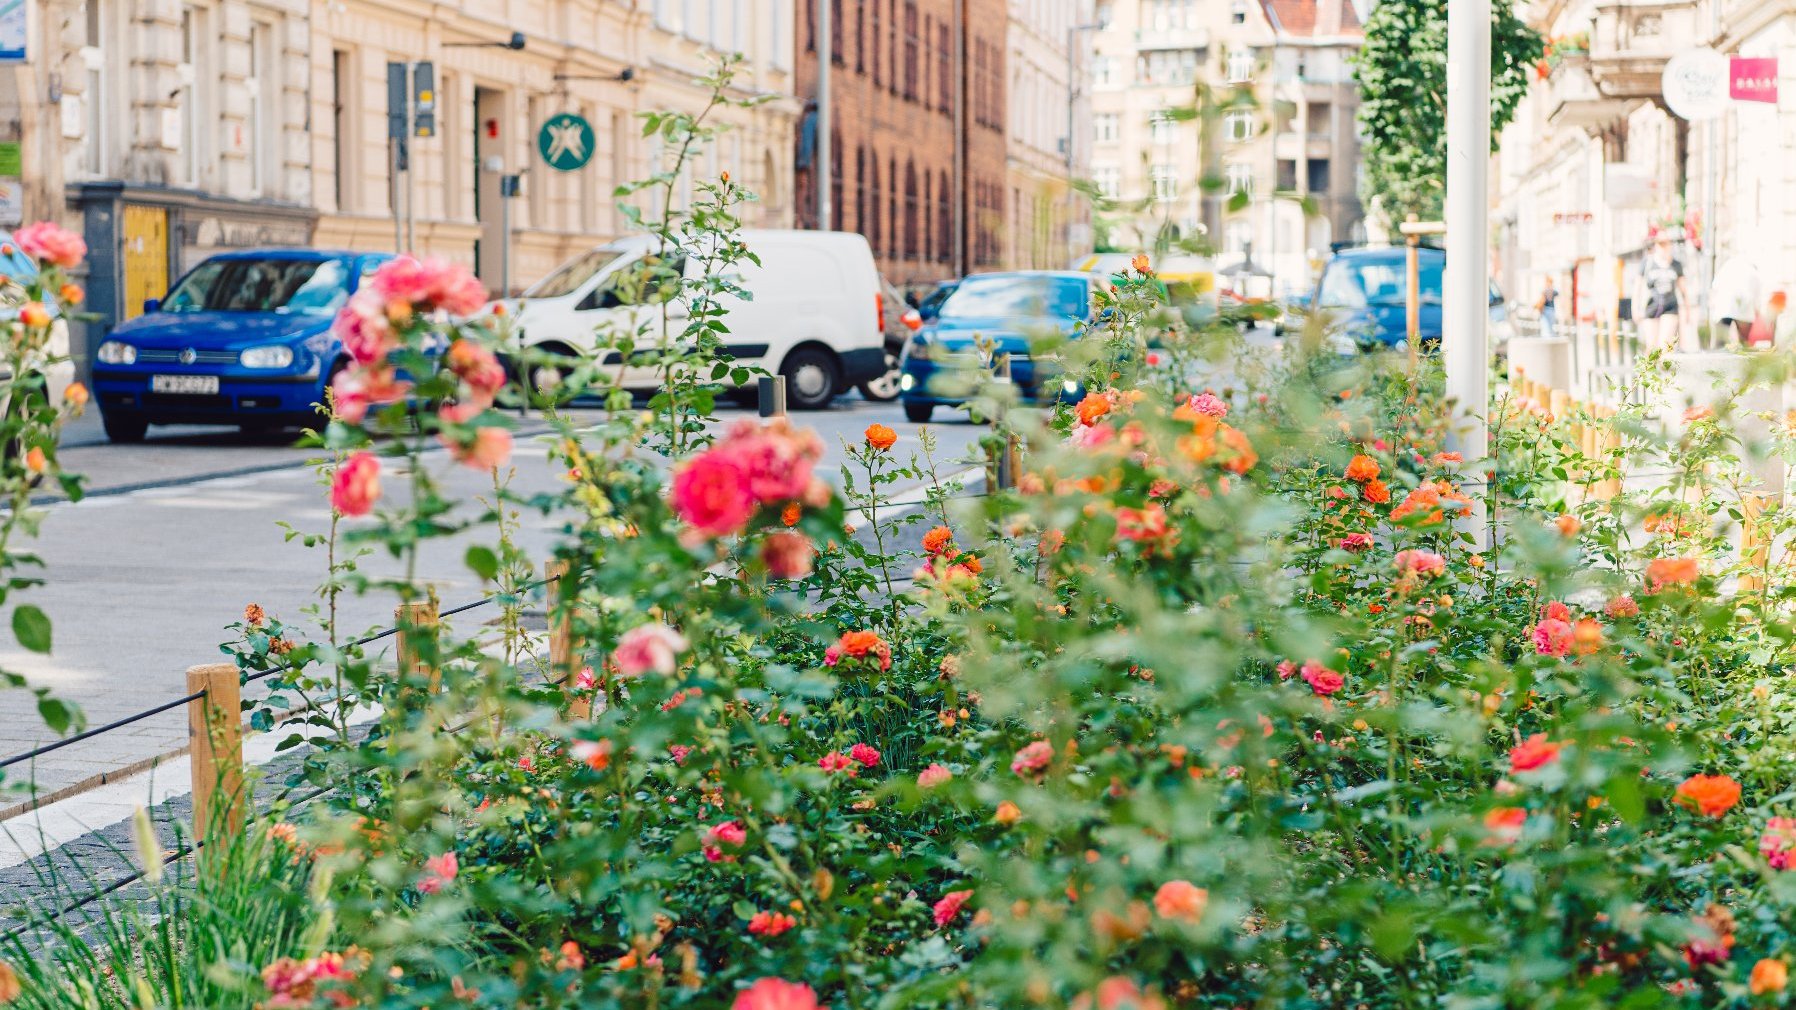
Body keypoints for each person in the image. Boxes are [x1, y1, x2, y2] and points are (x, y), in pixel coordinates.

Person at [1639, 235, 1690, 351]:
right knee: (1651, 347)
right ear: (1656, 246)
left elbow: (1683, 290)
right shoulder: (1647, 263)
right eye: (1660, 245)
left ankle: (1663, 367)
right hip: (1651, 305)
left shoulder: (1676, 264)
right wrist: (1635, 308)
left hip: (1670, 306)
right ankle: (1650, 368)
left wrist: (1687, 310)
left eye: (1666, 244)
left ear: (1670, 245)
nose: (1663, 248)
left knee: (1665, 345)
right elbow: (1637, 287)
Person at [1709, 255, 1760, 348]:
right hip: (1744, 308)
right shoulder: (1754, 273)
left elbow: (1715, 286)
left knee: (1720, 342)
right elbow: (1756, 296)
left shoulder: (1728, 265)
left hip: (1724, 306)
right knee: (1743, 342)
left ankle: (1717, 357)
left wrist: (1713, 304)